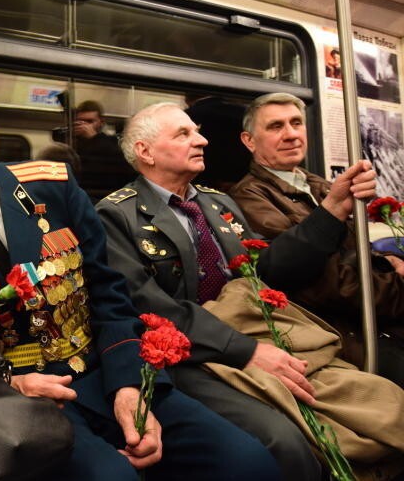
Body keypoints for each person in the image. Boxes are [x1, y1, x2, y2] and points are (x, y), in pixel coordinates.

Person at [0, 80, 281, 481]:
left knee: (246, 461)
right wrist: (8, 383)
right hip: (19, 395)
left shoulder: (53, 186)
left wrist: (129, 385)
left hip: (104, 367)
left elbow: (109, 292)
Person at [96, 101, 377, 480]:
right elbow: (149, 304)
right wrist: (246, 351)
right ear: (144, 152)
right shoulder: (116, 215)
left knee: (372, 406)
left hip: (253, 337)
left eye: (197, 131)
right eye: (184, 134)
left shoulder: (218, 204)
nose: (202, 140)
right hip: (187, 356)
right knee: (283, 439)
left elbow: (266, 272)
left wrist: (331, 210)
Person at [229, 92, 404, 385]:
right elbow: (321, 282)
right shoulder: (249, 197)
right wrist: (399, 289)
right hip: (338, 332)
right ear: (249, 141)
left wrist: (386, 259)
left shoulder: (319, 185)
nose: (291, 134)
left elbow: (351, 249)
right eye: (276, 127)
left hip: (372, 318)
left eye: (296, 123)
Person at [72, 100, 135, 202]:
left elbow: (122, 167)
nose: (84, 126)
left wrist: (94, 138)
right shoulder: (72, 145)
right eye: (81, 121)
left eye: (90, 122)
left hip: (106, 199)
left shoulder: (112, 143)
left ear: (101, 122)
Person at [184, 93, 249, 192]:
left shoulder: (188, 116)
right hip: (240, 183)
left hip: (203, 184)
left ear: (187, 99)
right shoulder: (244, 113)